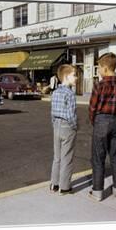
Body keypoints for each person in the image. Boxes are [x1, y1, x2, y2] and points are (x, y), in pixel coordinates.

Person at [88, 53, 116, 202]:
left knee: (98, 158)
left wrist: (95, 121)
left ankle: (97, 191)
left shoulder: (99, 86)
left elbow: (92, 108)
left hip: (101, 121)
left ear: (105, 68)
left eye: (98, 67)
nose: (98, 70)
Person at [50, 64, 78, 194]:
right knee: (67, 157)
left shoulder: (55, 92)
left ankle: (54, 184)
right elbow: (71, 114)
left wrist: (55, 123)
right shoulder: (70, 93)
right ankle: (64, 187)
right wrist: (75, 126)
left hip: (56, 125)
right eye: (74, 75)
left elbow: (52, 112)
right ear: (66, 77)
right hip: (67, 126)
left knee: (57, 157)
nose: (76, 77)